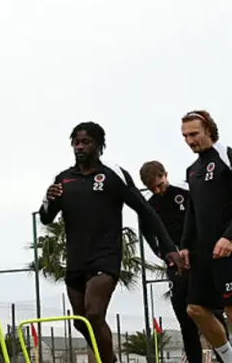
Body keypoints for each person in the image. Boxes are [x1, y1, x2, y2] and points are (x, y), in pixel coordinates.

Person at [39, 122, 184, 363]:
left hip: (105, 257)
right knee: (80, 322)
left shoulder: (112, 175)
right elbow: (46, 217)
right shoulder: (64, 179)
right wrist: (47, 199)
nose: (80, 147)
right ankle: (110, 358)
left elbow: (146, 210)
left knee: (94, 315)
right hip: (76, 259)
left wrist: (168, 247)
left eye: (86, 142)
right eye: (76, 142)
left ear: (99, 145)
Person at [139, 160, 226, 363]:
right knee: (185, 318)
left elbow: (202, 221)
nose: (158, 190)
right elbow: (148, 234)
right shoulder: (149, 207)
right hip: (176, 265)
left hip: (199, 259)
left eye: (160, 185)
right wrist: (165, 254)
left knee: (212, 312)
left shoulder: (185, 193)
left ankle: (225, 358)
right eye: (152, 188)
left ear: (165, 175)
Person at [179, 110, 232, 363]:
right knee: (195, 309)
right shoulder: (192, 170)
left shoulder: (226, 157)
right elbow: (193, 210)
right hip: (204, 252)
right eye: (185, 136)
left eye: (194, 134)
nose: (190, 140)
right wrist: (185, 246)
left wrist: (229, 236)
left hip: (228, 247)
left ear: (208, 130)